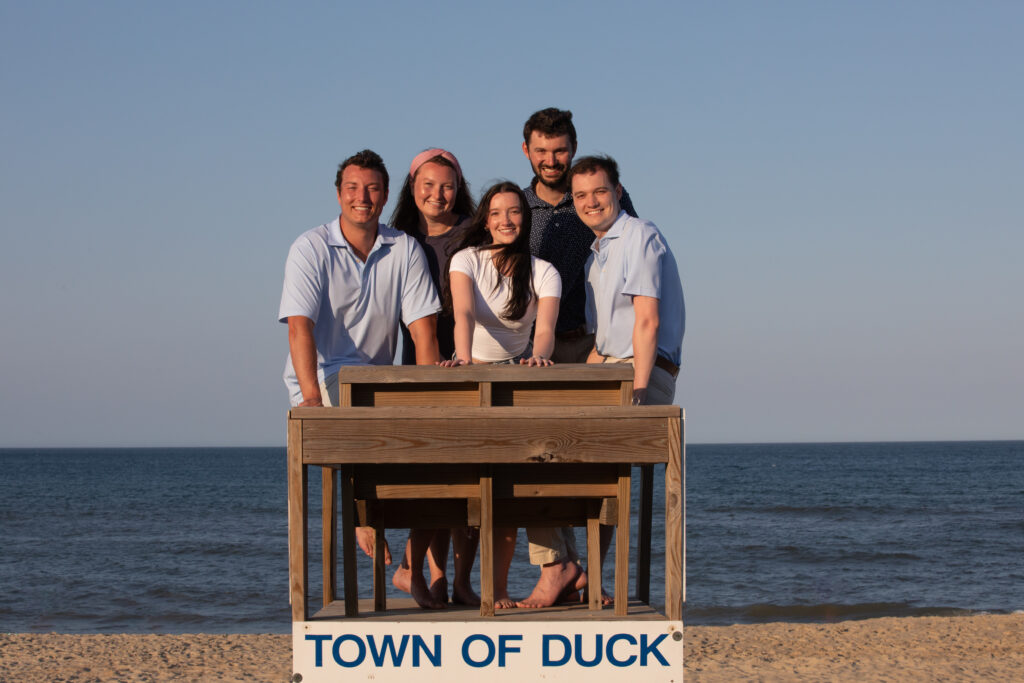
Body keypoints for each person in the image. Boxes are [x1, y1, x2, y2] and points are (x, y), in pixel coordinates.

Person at [278, 149, 445, 609]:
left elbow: (423, 332)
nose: (362, 197)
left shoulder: (404, 248)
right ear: (338, 195)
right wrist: (311, 398)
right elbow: (299, 326)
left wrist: (433, 396)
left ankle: (407, 559)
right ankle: (361, 516)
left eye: (372, 188)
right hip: (322, 375)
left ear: (386, 195)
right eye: (353, 188)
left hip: (378, 381)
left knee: (441, 446)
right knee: (351, 416)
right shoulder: (310, 247)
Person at [517, 108, 638, 607]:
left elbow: (629, 260)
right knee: (529, 457)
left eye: (560, 149)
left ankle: (592, 573)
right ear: (526, 151)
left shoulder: (604, 194)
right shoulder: (516, 206)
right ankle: (555, 567)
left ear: (573, 146)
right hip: (535, 351)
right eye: (542, 151)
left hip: (596, 345)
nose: (551, 160)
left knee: (602, 465)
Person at [440, 181, 562, 607]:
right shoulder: (465, 259)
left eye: (514, 212)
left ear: (524, 218)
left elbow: (544, 329)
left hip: (515, 376)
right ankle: (456, 583)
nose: (505, 220)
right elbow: (464, 313)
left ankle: (498, 589)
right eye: (496, 213)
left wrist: (541, 357)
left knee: (508, 493)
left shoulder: (544, 270)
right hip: (469, 369)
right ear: (485, 219)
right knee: (465, 489)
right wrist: (466, 362)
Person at [574, 153, 685, 592]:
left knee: (598, 466)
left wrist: (638, 391)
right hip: (615, 367)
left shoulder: (638, 235)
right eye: (581, 195)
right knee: (546, 444)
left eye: (600, 191)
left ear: (617, 192)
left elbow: (647, 322)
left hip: (644, 372)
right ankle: (576, 569)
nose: (591, 202)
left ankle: (591, 575)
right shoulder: (595, 254)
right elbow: (603, 342)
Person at [388, 148, 480, 607]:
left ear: (458, 187)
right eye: (427, 184)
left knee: (471, 477)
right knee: (436, 477)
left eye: (446, 185)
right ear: (412, 187)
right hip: (418, 366)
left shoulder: (475, 232)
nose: (437, 194)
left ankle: (455, 579)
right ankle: (424, 572)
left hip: (469, 361)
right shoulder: (397, 238)